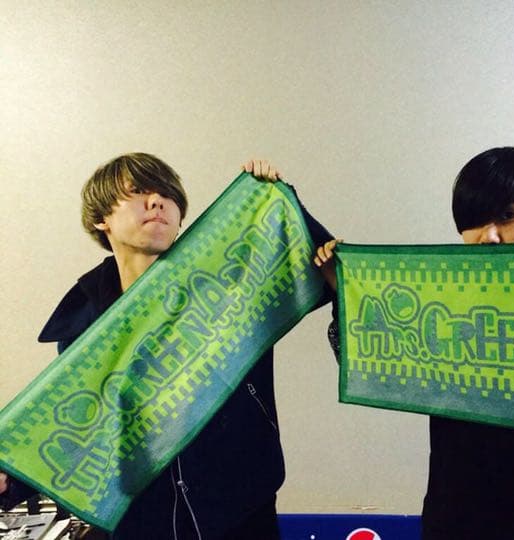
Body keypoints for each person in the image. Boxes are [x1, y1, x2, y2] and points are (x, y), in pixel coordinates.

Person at [0, 153, 333, 540]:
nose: (157, 201)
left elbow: (320, 267)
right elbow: (77, 427)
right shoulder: (86, 324)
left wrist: (278, 199)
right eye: (138, 192)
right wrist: (13, 480)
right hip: (139, 518)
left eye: (168, 195)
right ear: (101, 218)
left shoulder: (229, 286)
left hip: (241, 506)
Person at [314, 147, 514, 540]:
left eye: (506, 217)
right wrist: (345, 292)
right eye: (474, 220)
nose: (488, 236)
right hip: (458, 520)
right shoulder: (444, 307)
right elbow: (380, 364)